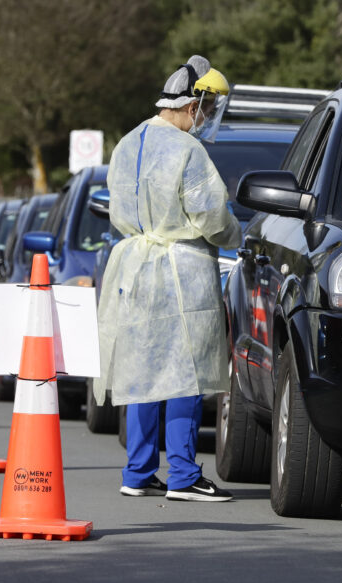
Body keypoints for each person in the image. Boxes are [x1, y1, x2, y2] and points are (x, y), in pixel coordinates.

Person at [96, 55, 239, 503]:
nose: (210, 116)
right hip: (183, 270)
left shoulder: (127, 143)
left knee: (142, 370)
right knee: (185, 373)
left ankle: (137, 472)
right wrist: (238, 235)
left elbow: (118, 208)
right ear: (192, 103)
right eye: (209, 106)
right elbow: (212, 216)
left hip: (134, 268)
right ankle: (182, 474)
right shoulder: (187, 150)